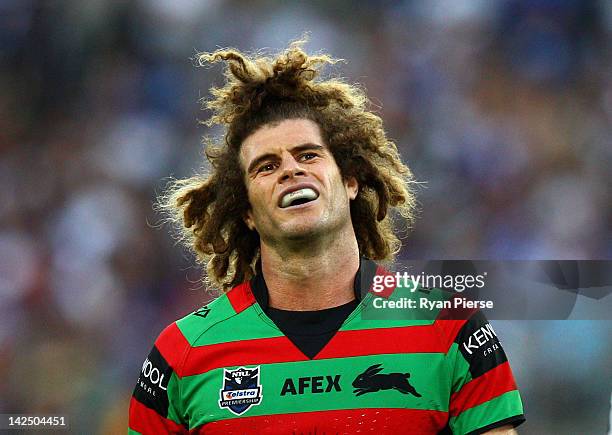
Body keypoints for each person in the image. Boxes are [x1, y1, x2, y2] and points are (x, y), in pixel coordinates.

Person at [128, 40, 525, 434]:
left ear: (350, 181)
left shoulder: (451, 326)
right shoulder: (182, 352)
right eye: (266, 166)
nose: (290, 170)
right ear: (247, 213)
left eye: (309, 155)